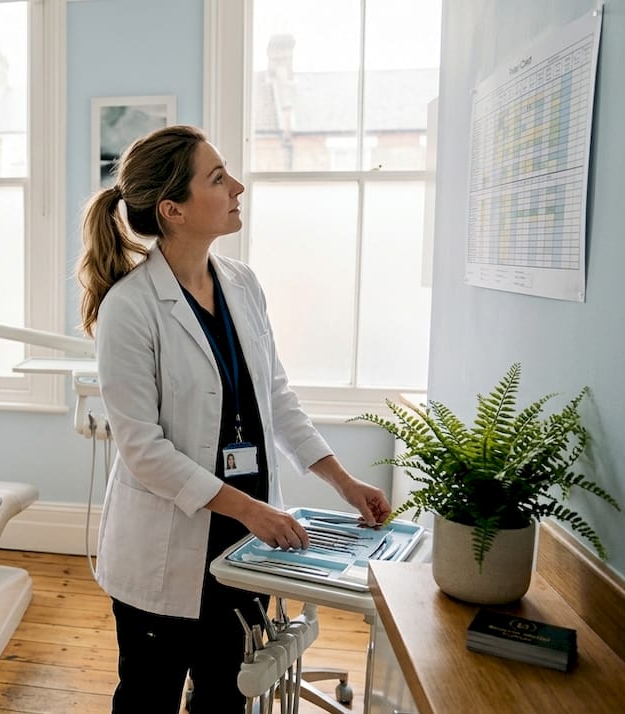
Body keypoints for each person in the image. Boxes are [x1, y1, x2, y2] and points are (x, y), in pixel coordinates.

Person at [76, 125, 391, 714]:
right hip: (169, 545)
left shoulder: (242, 284)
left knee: (225, 695)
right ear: (173, 209)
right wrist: (252, 510)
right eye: (218, 178)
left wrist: (343, 482)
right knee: (149, 696)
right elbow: (144, 451)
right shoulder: (130, 308)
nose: (237, 187)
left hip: (245, 544)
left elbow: (277, 399)